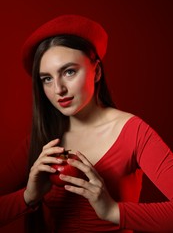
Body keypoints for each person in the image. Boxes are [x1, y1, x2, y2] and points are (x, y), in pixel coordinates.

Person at [0, 14, 173, 233]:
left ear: (97, 71)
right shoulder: (42, 140)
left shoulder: (134, 132)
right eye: (47, 79)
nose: (58, 89)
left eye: (69, 72)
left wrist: (112, 211)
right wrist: (28, 197)